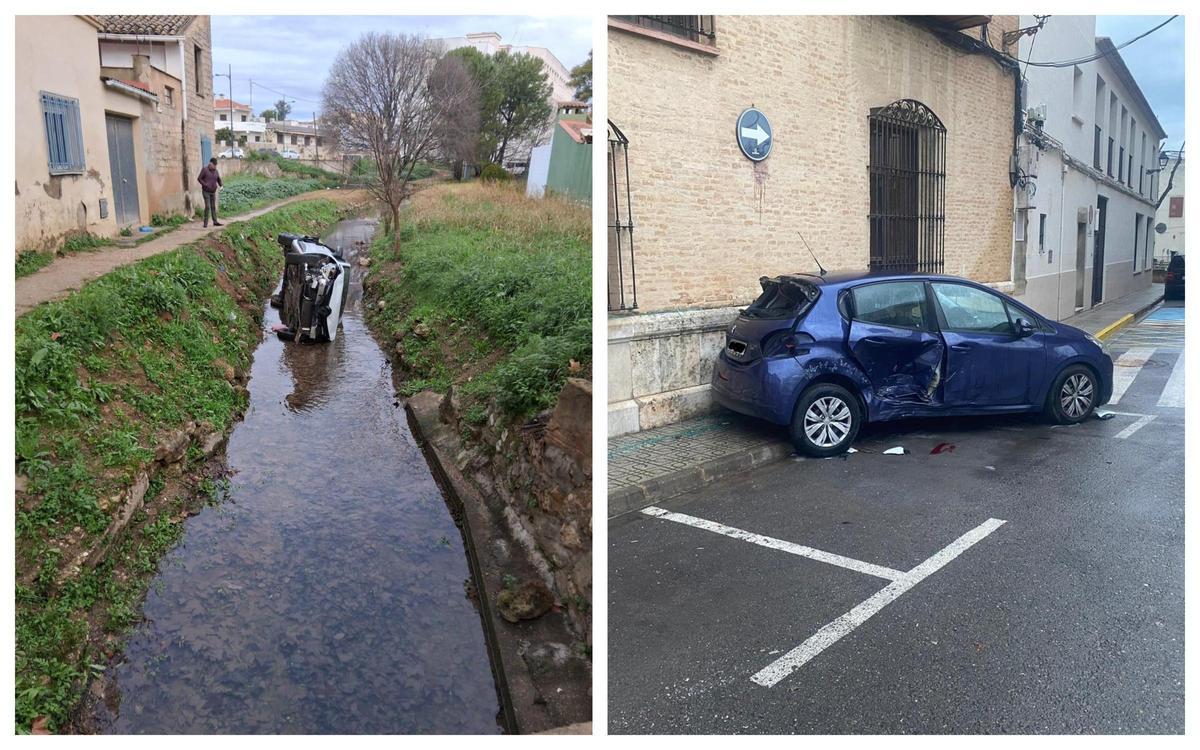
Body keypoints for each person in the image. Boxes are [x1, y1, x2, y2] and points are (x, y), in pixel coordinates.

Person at [197, 157, 223, 227]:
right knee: (207, 206)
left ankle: (215, 222)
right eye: (213, 164)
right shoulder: (204, 170)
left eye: (215, 165)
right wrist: (205, 184)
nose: (214, 166)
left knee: (213, 207)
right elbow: (199, 178)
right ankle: (205, 223)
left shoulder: (216, 171)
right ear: (210, 163)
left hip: (213, 192)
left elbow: (218, 179)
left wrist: (221, 185)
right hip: (206, 191)